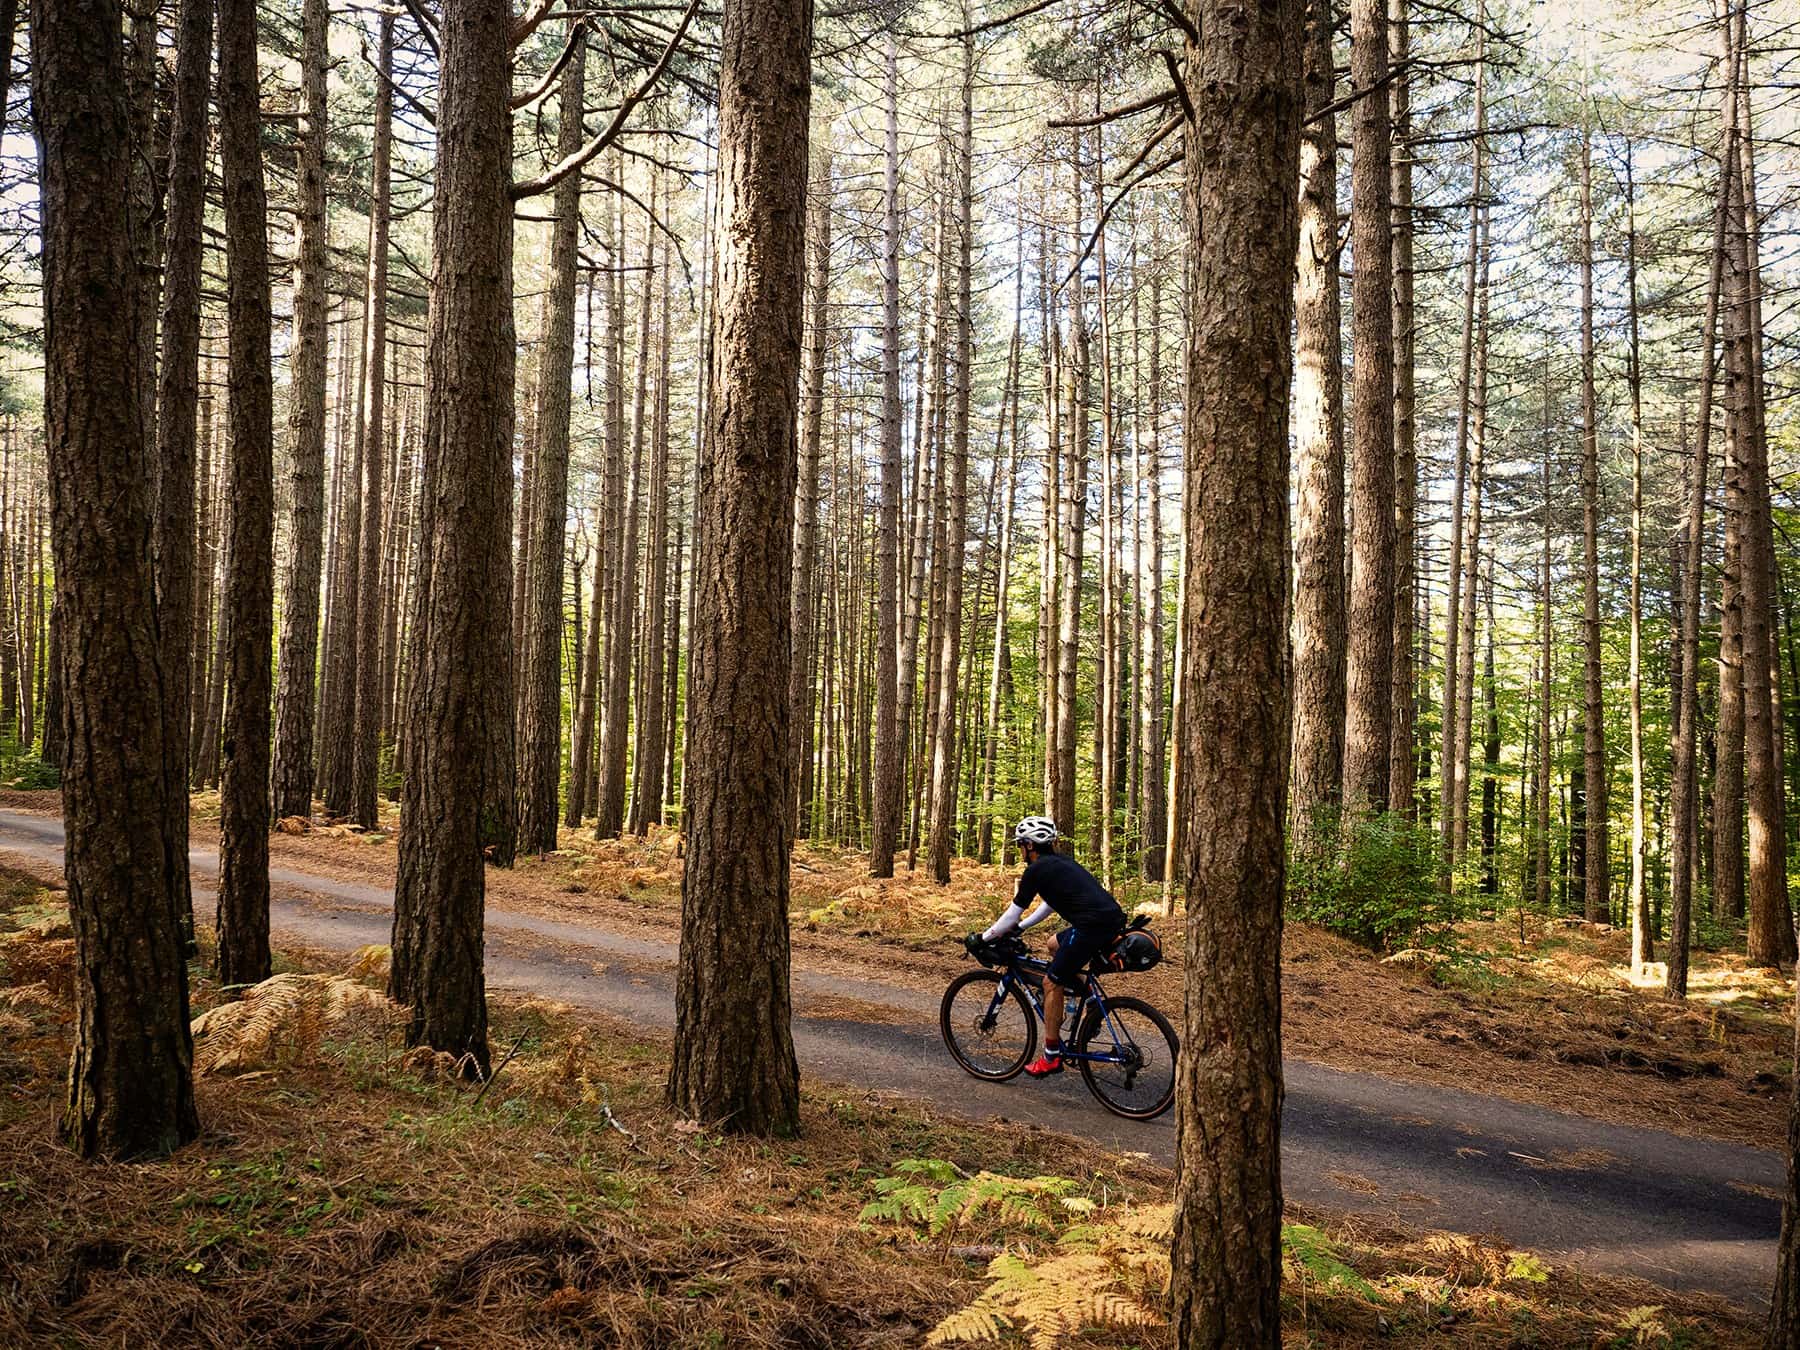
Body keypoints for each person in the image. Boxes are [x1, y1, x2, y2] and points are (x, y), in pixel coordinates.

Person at [966, 815, 1126, 1077]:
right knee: (1054, 944)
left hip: (1091, 927)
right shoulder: (1060, 863)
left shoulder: (1036, 870)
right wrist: (1023, 927)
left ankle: (1051, 1056)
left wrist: (984, 938)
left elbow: (1011, 914)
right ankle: (1086, 1003)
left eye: (1021, 844)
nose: (1020, 849)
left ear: (1029, 845)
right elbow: (1050, 903)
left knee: (1051, 982)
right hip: (1108, 920)